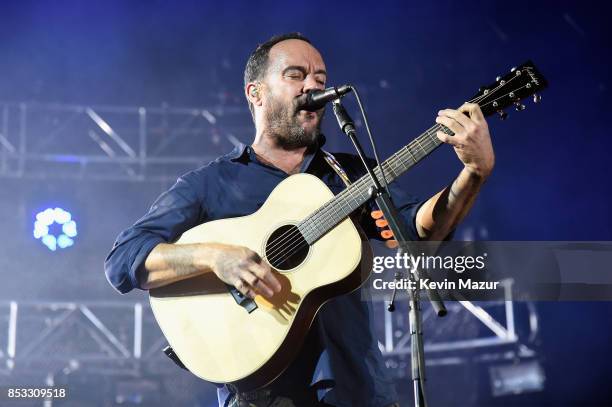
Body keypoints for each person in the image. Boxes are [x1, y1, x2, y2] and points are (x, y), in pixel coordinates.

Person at [104, 32, 494, 407]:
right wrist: (216, 257)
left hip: (357, 388)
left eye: (320, 79)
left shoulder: (349, 174)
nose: (312, 87)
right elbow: (124, 260)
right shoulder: (210, 183)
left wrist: (473, 173)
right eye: (296, 75)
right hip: (262, 395)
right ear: (255, 93)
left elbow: (420, 234)